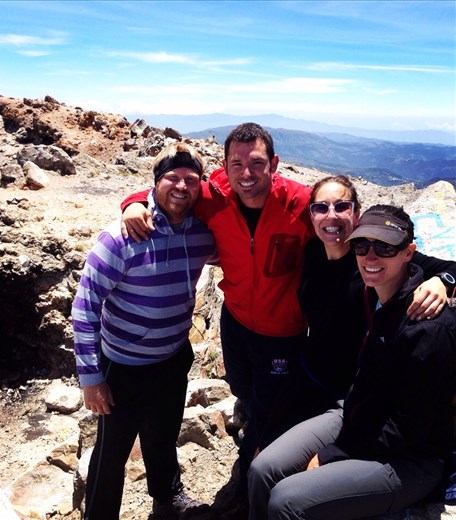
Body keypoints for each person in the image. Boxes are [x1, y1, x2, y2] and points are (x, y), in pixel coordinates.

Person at [121, 123, 315, 507]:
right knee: (243, 390)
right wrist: (133, 202)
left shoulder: (301, 203)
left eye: (256, 163)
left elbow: (349, 226)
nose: (246, 174)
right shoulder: (217, 197)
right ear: (224, 168)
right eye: (236, 165)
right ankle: (254, 430)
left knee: (269, 409)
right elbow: (172, 192)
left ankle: (247, 490)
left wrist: (436, 276)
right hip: (236, 322)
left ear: (274, 164)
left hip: (283, 333)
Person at [247, 204, 456, 520]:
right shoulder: (377, 294)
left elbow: (408, 429)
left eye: (385, 247)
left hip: (411, 459)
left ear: (409, 253)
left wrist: (334, 453)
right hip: (358, 414)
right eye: (361, 245)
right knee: (262, 469)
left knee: (286, 500)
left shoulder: (426, 326)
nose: (370, 257)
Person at [71, 143, 216, 520]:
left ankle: (167, 500)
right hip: (124, 365)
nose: (181, 186)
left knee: (163, 435)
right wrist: (91, 379)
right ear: (156, 182)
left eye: (191, 179)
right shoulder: (121, 237)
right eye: (172, 178)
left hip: (173, 356)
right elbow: (84, 307)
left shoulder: (203, 234)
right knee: (111, 453)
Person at [258, 175, 456, 449]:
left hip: (352, 389)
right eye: (321, 208)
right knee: (262, 450)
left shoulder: (371, 259)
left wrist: (441, 281)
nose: (331, 215)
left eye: (341, 206)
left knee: (304, 460)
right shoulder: (312, 251)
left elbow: (448, 268)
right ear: (312, 215)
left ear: (356, 213)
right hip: (310, 372)